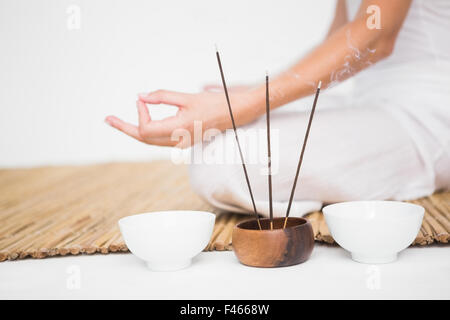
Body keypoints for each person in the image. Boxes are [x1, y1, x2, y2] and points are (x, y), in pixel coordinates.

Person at [105, 0, 450, 217]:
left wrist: (243, 106)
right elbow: (342, 36)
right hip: (369, 102)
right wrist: (256, 92)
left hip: (429, 117)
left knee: (222, 161)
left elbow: (374, 37)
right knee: (218, 141)